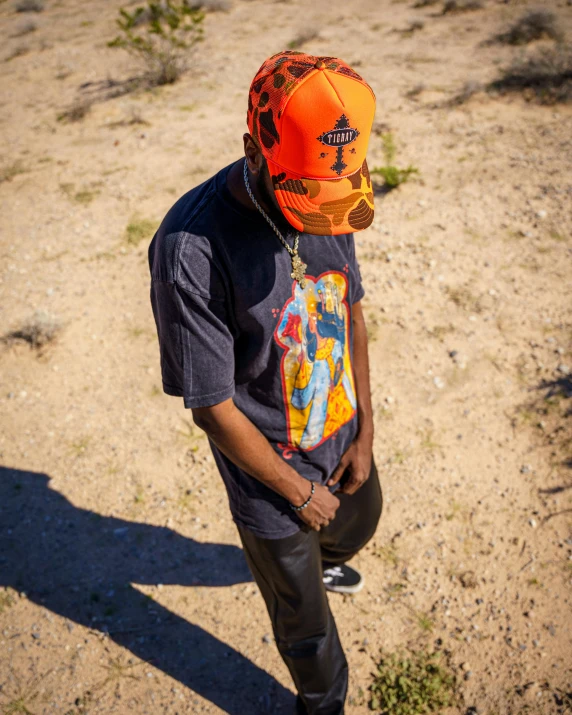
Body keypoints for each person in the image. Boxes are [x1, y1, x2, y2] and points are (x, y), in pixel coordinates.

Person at [149, 51, 383, 715]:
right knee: (305, 629)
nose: (323, 218)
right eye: (304, 196)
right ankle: (323, 701)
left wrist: (366, 427)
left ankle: (326, 557)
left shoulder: (330, 196)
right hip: (272, 477)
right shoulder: (189, 247)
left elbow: (351, 309)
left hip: (342, 436)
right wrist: (296, 491)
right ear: (255, 149)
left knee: (358, 524)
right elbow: (213, 406)